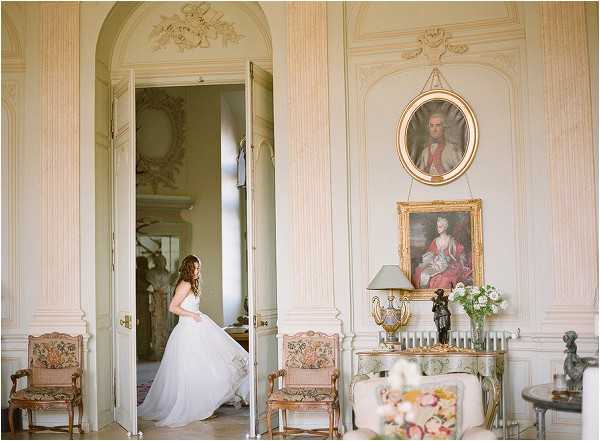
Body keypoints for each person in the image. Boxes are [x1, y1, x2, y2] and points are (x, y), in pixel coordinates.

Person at [138, 255, 249, 427]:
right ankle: (197, 408)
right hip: (188, 330)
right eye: (196, 268)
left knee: (206, 367)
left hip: (198, 326)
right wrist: (192, 315)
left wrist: (196, 316)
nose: (199, 271)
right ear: (189, 269)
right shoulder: (185, 284)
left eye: (199, 267)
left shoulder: (192, 284)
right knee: (192, 369)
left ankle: (205, 405)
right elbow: (172, 307)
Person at [412, 217, 470, 289]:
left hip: (448, 265)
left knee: (444, 278)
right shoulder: (435, 240)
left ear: (445, 227)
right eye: (437, 227)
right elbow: (430, 254)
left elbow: (459, 251)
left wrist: (456, 260)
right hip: (435, 265)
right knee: (421, 272)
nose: (438, 229)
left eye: (440, 227)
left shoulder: (451, 240)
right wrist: (431, 258)